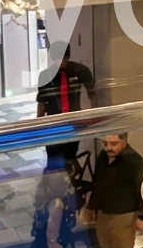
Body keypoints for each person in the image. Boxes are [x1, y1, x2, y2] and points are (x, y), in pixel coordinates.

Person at [36, 44, 97, 183]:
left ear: (68, 57)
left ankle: (68, 184)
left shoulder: (80, 71)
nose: (60, 62)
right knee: (53, 159)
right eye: (57, 59)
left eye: (64, 58)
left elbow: (92, 93)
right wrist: (39, 124)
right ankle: (52, 187)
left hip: (74, 121)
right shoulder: (46, 75)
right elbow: (42, 102)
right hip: (53, 123)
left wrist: (93, 114)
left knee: (69, 157)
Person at [88, 133, 143, 248]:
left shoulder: (133, 160)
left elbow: (142, 188)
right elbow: (97, 183)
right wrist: (91, 207)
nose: (108, 148)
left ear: (124, 141)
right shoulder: (103, 156)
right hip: (104, 211)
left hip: (124, 214)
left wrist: (142, 216)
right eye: (105, 143)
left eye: (114, 143)